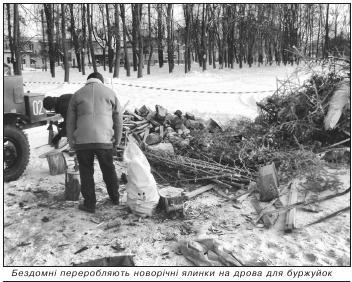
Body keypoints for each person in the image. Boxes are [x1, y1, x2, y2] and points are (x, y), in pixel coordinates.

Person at [66, 72, 123, 213]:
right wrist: (117, 140)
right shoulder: (110, 93)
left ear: (88, 81)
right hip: (104, 140)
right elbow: (118, 119)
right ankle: (115, 198)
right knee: (108, 169)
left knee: (86, 171)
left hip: (83, 141)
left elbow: (70, 121)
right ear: (101, 81)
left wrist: (71, 141)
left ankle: (90, 204)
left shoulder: (77, 95)